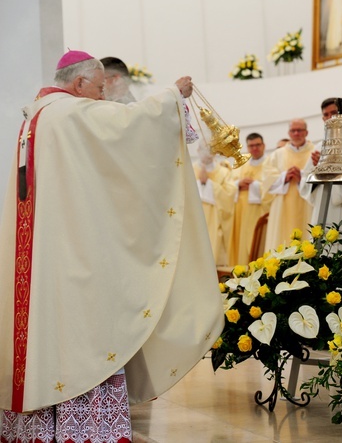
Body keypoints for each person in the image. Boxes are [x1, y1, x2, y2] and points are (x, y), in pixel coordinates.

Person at [0, 50, 224, 443]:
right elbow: (130, 125)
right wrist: (173, 96)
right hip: (72, 261)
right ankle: (83, 430)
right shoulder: (67, 114)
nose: (102, 98)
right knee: (86, 335)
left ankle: (42, 430)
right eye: (100, 88)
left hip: (47, 259)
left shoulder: (37, 117)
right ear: (79, 83)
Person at [261, 119, 315, 251]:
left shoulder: (315, 153)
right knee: (281, 241)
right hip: (282, 207)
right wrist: (284, 176)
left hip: (307, 205)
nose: (296, 133)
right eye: (293, 130)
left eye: (300, 130)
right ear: (289, 133)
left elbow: (321, 176)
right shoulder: (277, 154)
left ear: (306, 132)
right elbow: (266, 178)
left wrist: (301, 176)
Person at [299, 98, 342, 226]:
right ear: (323, 119)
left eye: (334, 113)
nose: (330, 117)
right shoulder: (319, 147)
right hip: (322, 202)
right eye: (326, 114)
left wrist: (325, 165)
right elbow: (305, 181)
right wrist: (318, 169)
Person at [229, 133, 271, 265]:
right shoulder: (241, 164)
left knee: (256, 242)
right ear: (247, 147)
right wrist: (238, 184)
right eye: (251, 146)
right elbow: (229, 185)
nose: (255, 148)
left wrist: (254, 184)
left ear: (263, 146)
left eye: (258, 145)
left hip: (259, 212)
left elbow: (272, 185)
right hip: (240, 213)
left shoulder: (269, 163)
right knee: (241, 242)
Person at [194, 145, 238, 267]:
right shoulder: (189, 169)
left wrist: (208, 184)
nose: (207, 153)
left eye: (210, 149)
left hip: (216, 220)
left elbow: (230, 193)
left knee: (213, 256)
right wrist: (200, 184)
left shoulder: (224, 172)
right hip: (194, 219)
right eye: (203, 148)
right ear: (198, 150)